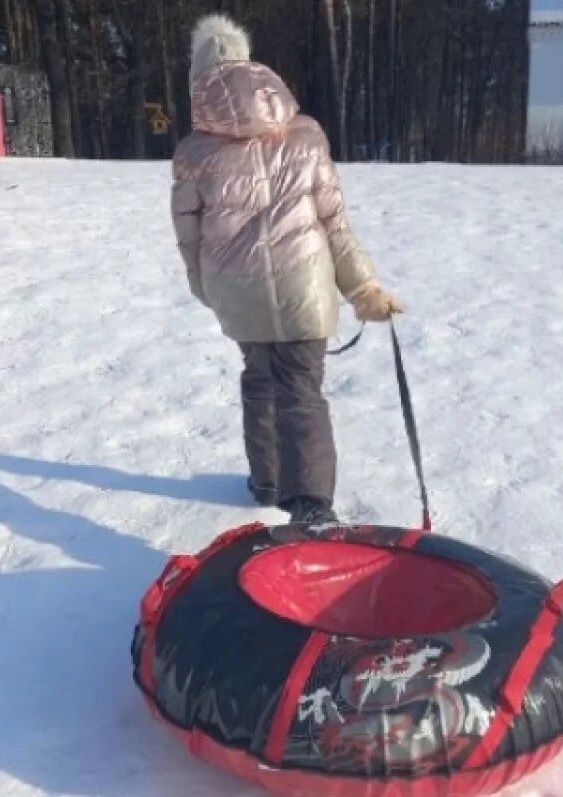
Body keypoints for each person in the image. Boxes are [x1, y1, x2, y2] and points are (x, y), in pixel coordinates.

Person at [169, 14, 403, 525]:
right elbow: (334, 223)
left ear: (199, 82)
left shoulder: (192, 152)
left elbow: (190, 236)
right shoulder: (307, 134)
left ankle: (268, 481)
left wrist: (205, 287)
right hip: (306, 284)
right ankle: (311, 504)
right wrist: (362, 287)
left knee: (259, 377)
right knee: (300, 389)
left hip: (236, 289)